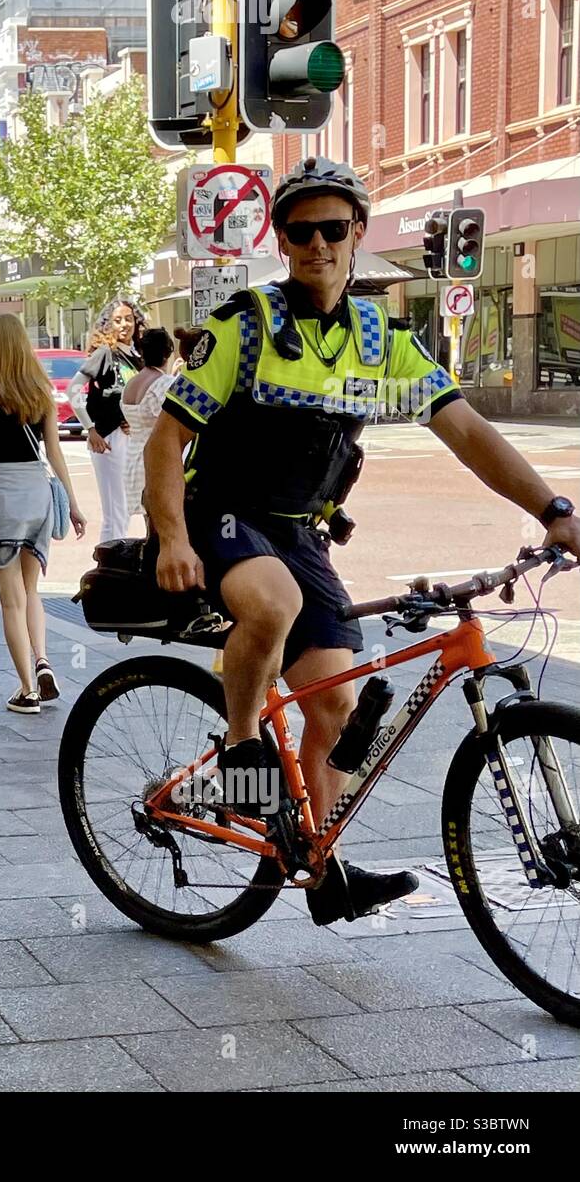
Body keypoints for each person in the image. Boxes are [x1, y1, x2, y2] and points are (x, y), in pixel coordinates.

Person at [147, 155, 580, 928]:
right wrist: (171, 537)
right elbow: (166, 439)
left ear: (358, 234)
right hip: (222, 509)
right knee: (271, 602)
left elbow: (470, 434)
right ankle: (244, 746)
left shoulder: (385, 343)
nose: (318, 244)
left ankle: (318, 865)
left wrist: (552, 508)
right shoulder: (245, 326)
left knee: (338, 708)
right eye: (300, 230)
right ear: (281, 240)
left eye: (333, 229)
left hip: (297, 531)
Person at [0, 313, 87, 714]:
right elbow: (55, 452)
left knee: (10, 599)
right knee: (31, 592)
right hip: (38, 494)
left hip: (0, 496)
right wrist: (75, 504)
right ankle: (43, 659)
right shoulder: (42, 393)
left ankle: (27, 689)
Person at [69, 298, 148, 545]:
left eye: (128, 318)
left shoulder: (137, 356)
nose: (124, 325)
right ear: (108, 324)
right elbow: (73, 390)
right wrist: (90, 429)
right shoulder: (105, 354)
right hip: (108, 440)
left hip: (131, 440)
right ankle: (108, 562)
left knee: (128, 507)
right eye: (117, 320)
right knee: (115, 511)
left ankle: (116, 559)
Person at [121, 327, 175, 530]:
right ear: (167, 352)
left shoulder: (130, 384)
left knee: (149, 525)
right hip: (158, 456)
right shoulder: (165, 383)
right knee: (165, 524)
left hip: (134, 454)